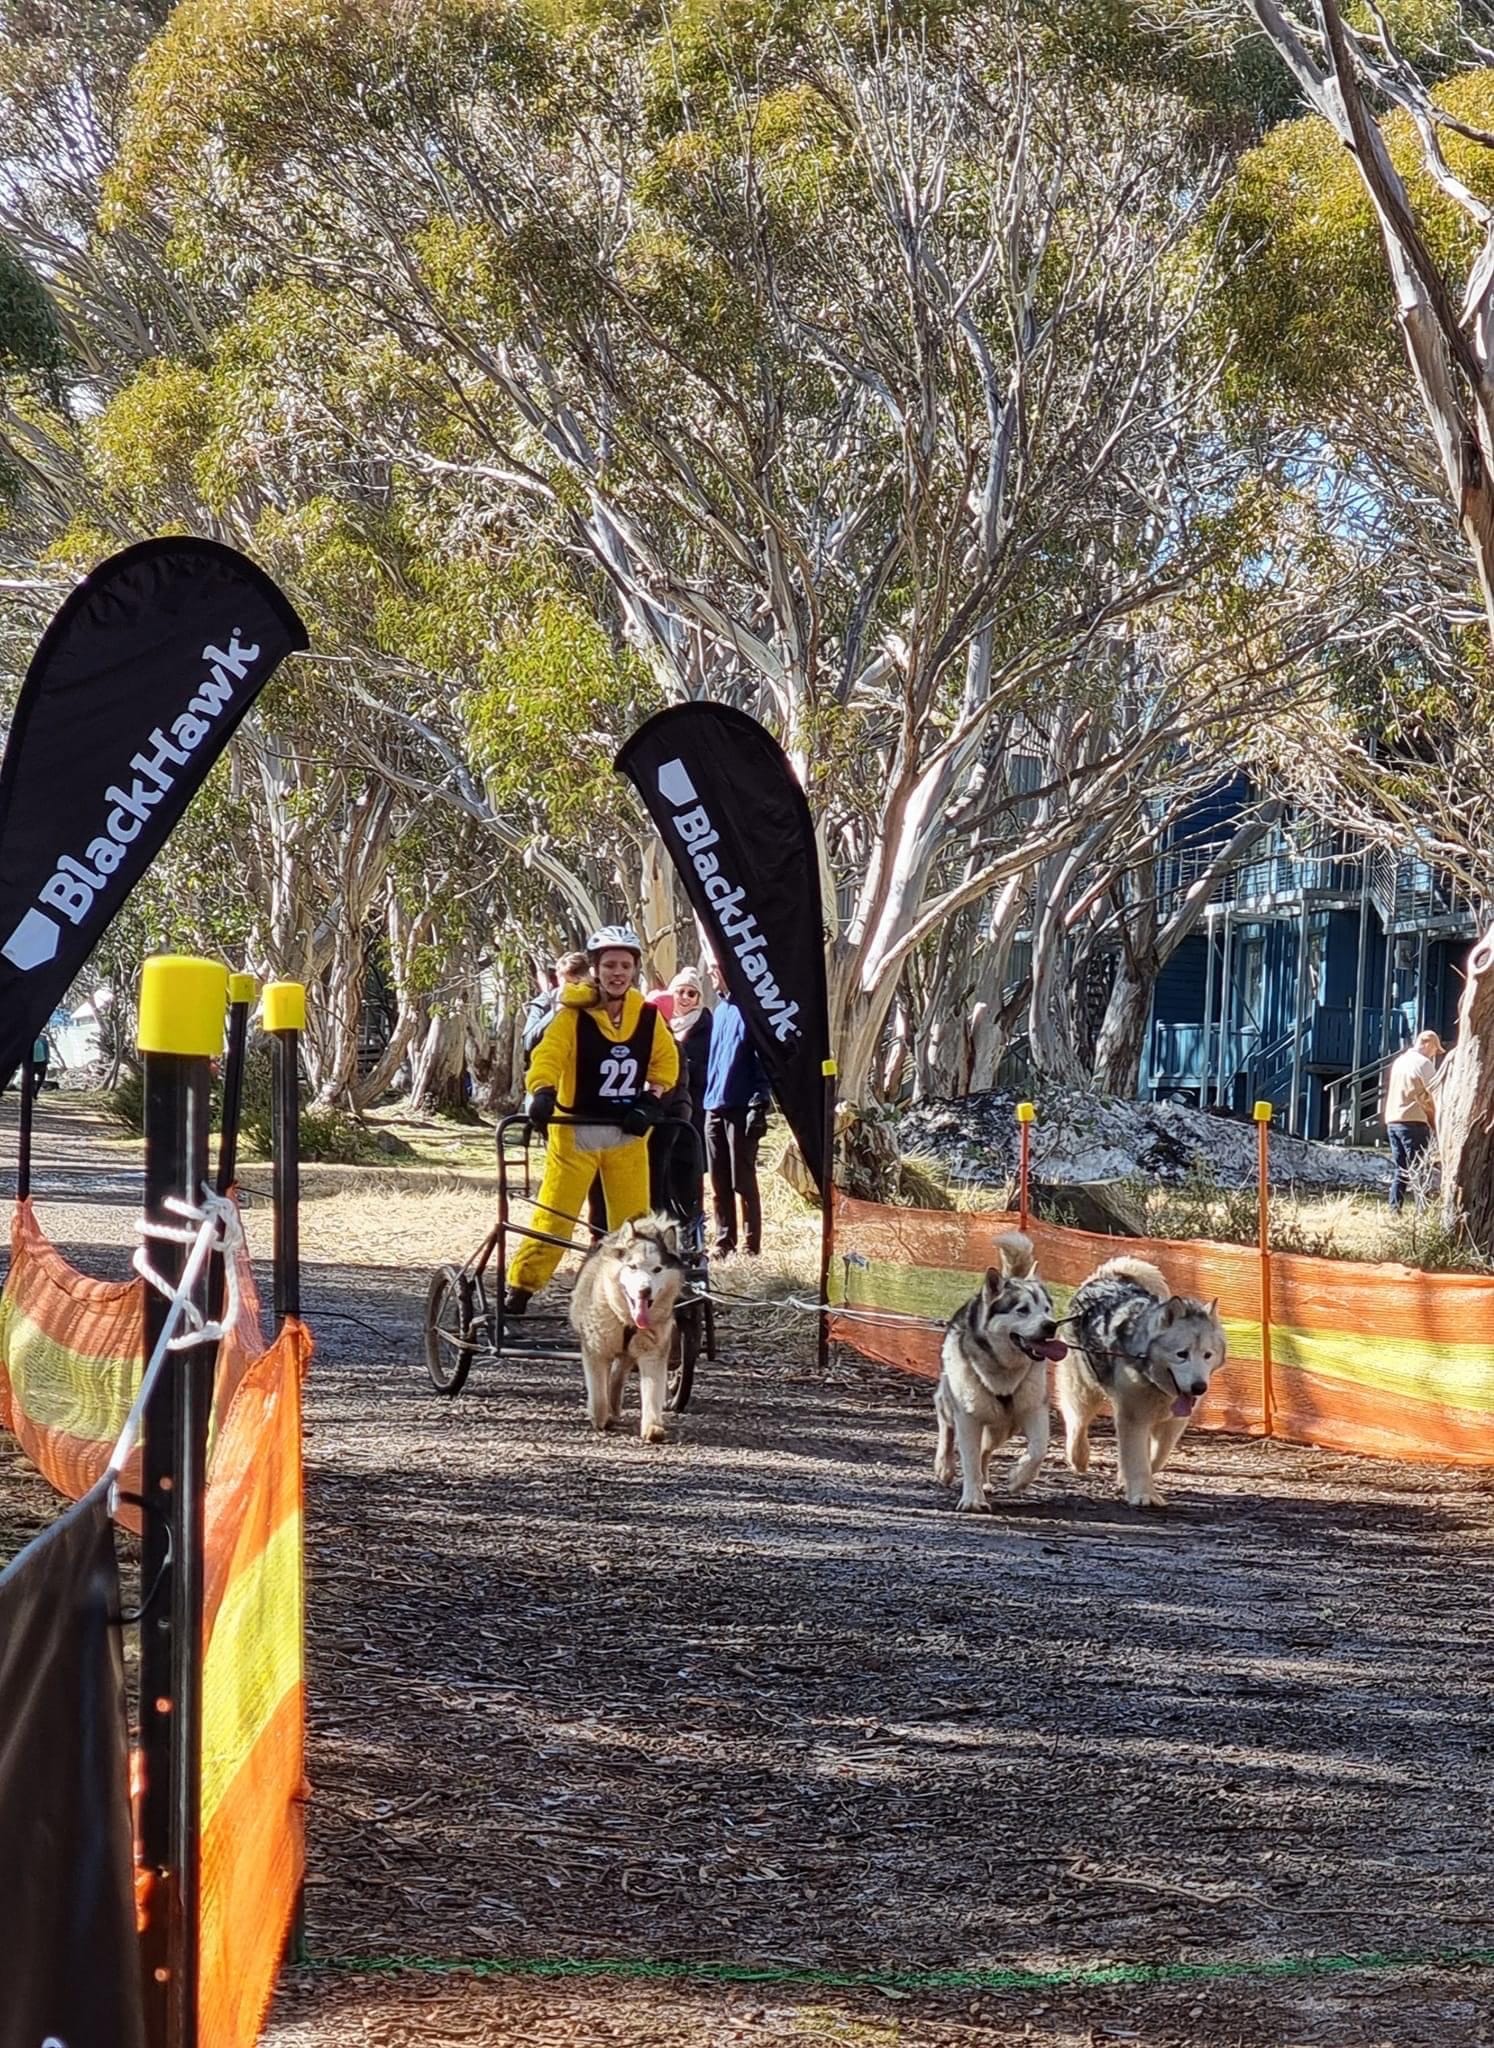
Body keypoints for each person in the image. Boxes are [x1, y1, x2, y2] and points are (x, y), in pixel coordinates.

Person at [503, 927, 679, 1314]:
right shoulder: (572, 1014)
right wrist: (543, 1090)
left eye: (626, 966)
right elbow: (549, 1054)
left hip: (626, 1134)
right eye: (610, 965)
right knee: (555, 1217)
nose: (618, 973)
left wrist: (651, 1100)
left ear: (635, 970)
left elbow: (666, 1064)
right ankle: (521, 1288)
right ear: (596, 969)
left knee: (635, 1226)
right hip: (575, 1132)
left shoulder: (648, 1016)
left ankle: (631, 1298)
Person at [703, 961, 771, 1259]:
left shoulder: (750, 1009)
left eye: (716, 969)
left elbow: (763, 1059)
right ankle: (724, 1240)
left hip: (742, 1104)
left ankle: (749, 1245)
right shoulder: (719, 1011)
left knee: (742, 1179)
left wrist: (760, 1101)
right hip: (714, 1104)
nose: (711, 974)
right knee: (718, 1180)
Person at [1382, 1028, 1443, 1212]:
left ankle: (1394, 1208)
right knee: (1419, 1168)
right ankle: (1421, 1209)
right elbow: (1435, 1092)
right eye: (1435, 1049)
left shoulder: (1400, 1061)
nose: (1435, 1054)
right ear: (1427, 1043)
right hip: (1414, 1121)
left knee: (1401, 1168)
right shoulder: (1423, 1064)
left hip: (1393, 1120)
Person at [522, 951, 591, 1056]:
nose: (574, 989)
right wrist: (556, 1011)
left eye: (578, 984)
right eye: (569, 983)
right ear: (559, 978)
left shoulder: (599, 1000)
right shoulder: (546, 1001)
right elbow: (528, 1042)